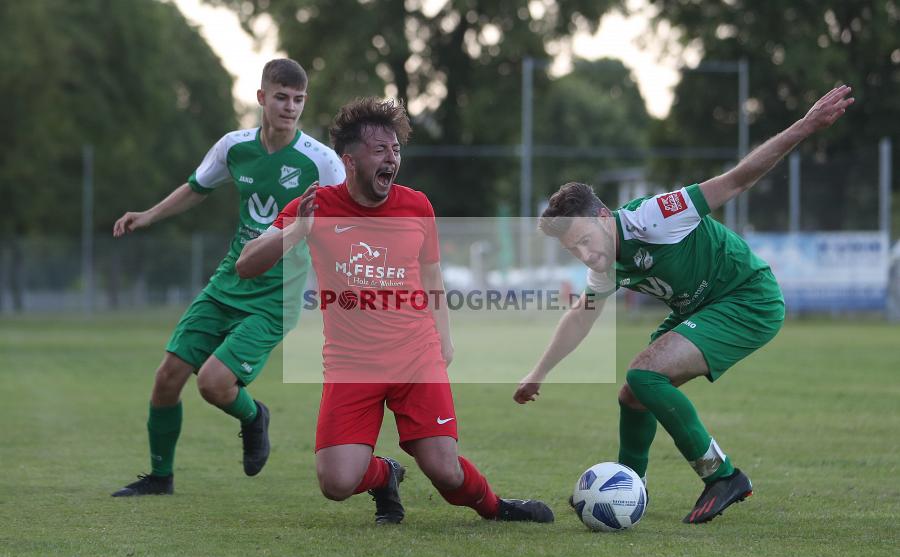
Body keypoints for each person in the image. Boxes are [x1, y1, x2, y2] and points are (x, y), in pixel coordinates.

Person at [514, 85, 854, 523]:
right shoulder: (604, 258)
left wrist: (805, 126)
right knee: (634, 394)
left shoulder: (656, 215)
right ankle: (629, 486)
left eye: (583, 240)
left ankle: (722, 476)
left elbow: (738, 179)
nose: (583, 254)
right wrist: (539, 372)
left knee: (644, 373)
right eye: (571, 249)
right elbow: (582, 316)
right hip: (703, 308)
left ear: (604, 217)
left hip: (748, 298)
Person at [237, 97, 554, 524]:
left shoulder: (417, 206)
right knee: (336, 483)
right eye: (380, 150)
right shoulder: (316, 206)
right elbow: (246, 266)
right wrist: (296, 232)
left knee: (445, 469)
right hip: (352, 365)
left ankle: (496, 508)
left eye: (396, 149)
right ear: (349, 161)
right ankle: (386, 475)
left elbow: (433, 277)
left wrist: (444, 336)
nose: (392, 158)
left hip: (414, 356)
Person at [110, 58, 345, 496]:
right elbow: (197, 187)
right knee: (166, 377)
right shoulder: (234, 147)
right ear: (261, 98)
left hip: (274, 297)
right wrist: (148, 215)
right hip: (226, 284)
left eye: (297, 100)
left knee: (213, 383)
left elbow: (349, 217)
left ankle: (254, 417)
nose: (289, 107)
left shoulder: (323, 162)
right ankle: (161, 478)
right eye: (280, 97)